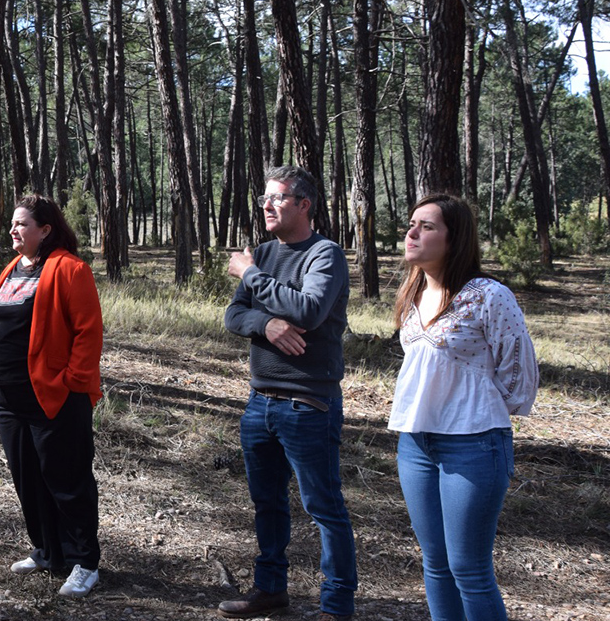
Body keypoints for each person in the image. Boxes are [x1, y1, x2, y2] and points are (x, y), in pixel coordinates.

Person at [390, 194, 538, 621]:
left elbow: (518, 369)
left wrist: (480, 410)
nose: (412, 233)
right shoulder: (412, 290)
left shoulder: (488, 295)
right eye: (411, 224)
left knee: (468, 569)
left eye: (427, 226)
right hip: (415, 443)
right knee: (434, 564)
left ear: (455, 239)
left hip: (473, 445)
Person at [221, 166, 357, 621]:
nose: (266, 204)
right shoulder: (263, 252)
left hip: (308, 404)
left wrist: (252, 275)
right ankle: (270, 589)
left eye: (277, 197)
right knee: (267, 503)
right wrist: (268, 323)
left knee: (323, 508)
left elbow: (310, 310)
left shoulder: (325, 254)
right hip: (259, 403)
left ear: (303, 204)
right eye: (264, 197)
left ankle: (336, 606)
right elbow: (234, 315)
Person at [0, 196, 103, 599]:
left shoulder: (70, 269)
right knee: (27, 477)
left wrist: (70, 381)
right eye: (12, 224)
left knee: (67, 478)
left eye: (22, 224)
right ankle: (48, 551)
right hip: (8, 395)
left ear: (45, 230)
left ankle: (84, 562)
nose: (14, 230)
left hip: (53, 396)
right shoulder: (12, 270)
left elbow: (88, 331)